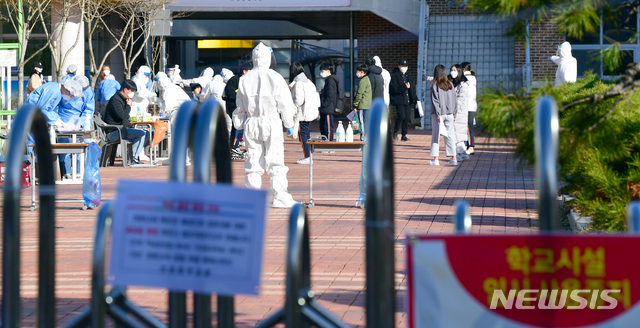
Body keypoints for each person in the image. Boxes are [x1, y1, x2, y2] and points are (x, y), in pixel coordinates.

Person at [233, 42, 298, 208]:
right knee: (275, 160)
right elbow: (285, 102)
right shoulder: (275, 77)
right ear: (268, 58)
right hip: (271, 121)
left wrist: (239, 126)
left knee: (253, 161)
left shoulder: (244, 79)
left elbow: (240, 106)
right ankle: (281, 196)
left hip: (251, 122)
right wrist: (289, 122)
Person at [103, 80, 150, 165]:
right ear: (125, 90)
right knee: (141, 133)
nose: (132, 93)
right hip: (114, 132)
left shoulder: (123, 99)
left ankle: (131, 156)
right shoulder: (116, 100)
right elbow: (122, 116)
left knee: (146, 133)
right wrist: (128, 106)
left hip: (121, 130)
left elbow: (123, 118)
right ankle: (133, 159)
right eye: (131, 91)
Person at [289, 62, 320, 165]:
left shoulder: (298, 83)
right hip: (310, 112)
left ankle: (307, 156)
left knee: (303, 134)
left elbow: (299, 100)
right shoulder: (309, 82)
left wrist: (291, 103)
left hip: (303, 113)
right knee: (306, 134)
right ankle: (308, 155)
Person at [429, 64, 458, 166]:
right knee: (450, 136)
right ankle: (454, 158)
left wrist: (438, 114)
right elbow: (455, 100)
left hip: (439, 114)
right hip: (450, 114)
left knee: (436, 136)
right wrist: (455, 113)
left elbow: (435, 101)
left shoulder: (435, 85)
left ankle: (435, 159)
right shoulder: (450, 84)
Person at [390, 59, 417, 141]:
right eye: (402, 66)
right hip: (399, 100)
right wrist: (404, 86)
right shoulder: (395, 76)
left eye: (405, 66)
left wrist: (415, 99)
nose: (404, 68)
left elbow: (412, 88)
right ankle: (395, 132)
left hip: (408, 100)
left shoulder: (408, 76)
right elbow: (394, 89)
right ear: (399, 66)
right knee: (401, 116)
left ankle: (404, 135)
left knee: (407, 118)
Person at [222, 67, 244, 158]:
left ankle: (236, 146)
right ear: (244, 70)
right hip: (233, 108)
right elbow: (228, 94)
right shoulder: (234, 80)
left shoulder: (246, 80)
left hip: (241, 107)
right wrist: (240, 95)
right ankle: (234, 146)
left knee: (242, 126)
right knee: (236, 126)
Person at [452, 67, 470, 162]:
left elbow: (460, 99)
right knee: (458, 134)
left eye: (454, 70)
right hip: (456, 112)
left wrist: (453, 110)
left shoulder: (463, 85)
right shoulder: (455, 83)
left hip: (459, 112)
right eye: (452, 70)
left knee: (457, 134)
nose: (452, 72)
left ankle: (458, 154)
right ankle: (462, 153)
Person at [460, 62, 477, 155]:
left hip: (467, 106)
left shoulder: (465, 79)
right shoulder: (473, 78)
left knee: (468, 126)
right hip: (472, 106)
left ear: (463, 69)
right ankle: (467, 145)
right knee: (467, 126)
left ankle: (471, 146)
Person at [319, 62, 339, 141]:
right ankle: (325, 141)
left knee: (328, 126)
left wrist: (324, 104)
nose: (321, 73)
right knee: (323, 126)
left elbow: (330, 94)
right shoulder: (328, 80)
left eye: (322, 71)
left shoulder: (331, 80)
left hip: (328, 107)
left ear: (328, 71)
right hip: (326, 107)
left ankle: (329, 143)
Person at [352, 63, 372, 141]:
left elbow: (359, 94)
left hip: (363, 105)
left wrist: (355, 105)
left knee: (362, 123)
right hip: (368, 105)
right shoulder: (367, 79)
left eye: (358, 71)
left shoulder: (363, 81)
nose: (357, 73)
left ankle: (364, 138)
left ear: (362, 72)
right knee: (366, 122)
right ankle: (366, 137)